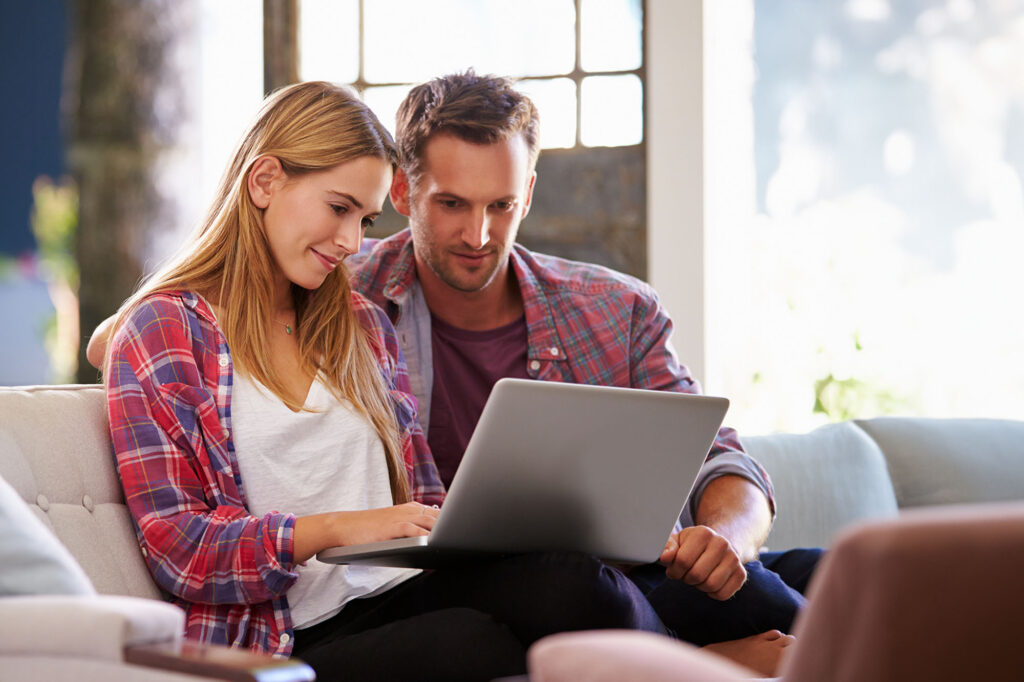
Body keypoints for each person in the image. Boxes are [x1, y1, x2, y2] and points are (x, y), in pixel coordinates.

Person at [90, 73, 820, 676]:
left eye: (362, 221)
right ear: (265, 180)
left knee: (602, 579)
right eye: (340, 209)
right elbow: (183, 548)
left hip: (414, 583)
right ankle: (707, 669)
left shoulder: (353, 320)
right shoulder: (181, 329)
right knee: (488, 639)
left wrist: (458, 526)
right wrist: (343, 527)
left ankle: (801, 652)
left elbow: (425, 497)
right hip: (291, 625)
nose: (348, 241)